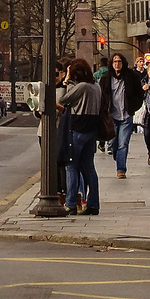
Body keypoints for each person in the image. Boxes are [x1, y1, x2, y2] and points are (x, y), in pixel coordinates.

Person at [59, 59, 103, 214]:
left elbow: (63, 99)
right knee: (89, 168)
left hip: (77, 128)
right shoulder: (96, 86)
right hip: (92, 129)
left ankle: (70, 203)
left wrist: (67, 80)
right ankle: (93, 204)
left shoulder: (82, 87)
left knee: (71, 166)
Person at [99, 53, 143, 179]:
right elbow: (102, 96)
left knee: (123, 144)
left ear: (123, 63)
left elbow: (139, 94)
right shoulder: (106, 78)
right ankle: (117, 157)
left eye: (119, 61)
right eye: (114, 62)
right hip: (112, 116)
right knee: (113, 144)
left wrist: (133, 108)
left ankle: (121, 169)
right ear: (111, 64)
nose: (117, 64)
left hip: (126, 116)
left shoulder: (131, 76)